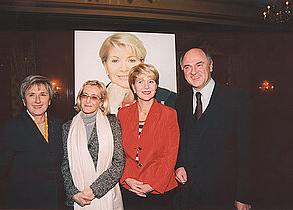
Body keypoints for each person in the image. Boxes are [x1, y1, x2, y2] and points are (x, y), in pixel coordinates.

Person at [175, 47, 251, 209]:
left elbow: (247, 151)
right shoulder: (180, 102)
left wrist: (244, 195)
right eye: (187, 67)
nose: (193, 71)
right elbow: (180, 142)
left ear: (211, 66)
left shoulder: (236, 99)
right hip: (188, 195)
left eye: (199, 64)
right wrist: (179, 165)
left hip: (223, 195)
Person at [0, 75, 65, 208]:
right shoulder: (10, 129)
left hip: (56, 202)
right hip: (24, 203)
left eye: (43, 94)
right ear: (24, 101)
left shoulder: (61, 126)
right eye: (31, 95)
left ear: (49, 100)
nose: (37, 100)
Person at [117, 63, 179, 209]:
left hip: (160, 190)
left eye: (151, 81)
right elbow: (118, 152)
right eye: (140, 82)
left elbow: (170, 155)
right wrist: (126, 178)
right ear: (133, 86)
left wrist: (153, 184)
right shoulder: (122, 114)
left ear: (156, 86)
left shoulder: (169, 114)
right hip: (130, 187)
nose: (146, 86)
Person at [61, 80, 125, 210]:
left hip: (106, 194)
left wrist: (94, 190)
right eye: (84, 96)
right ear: (80, 98)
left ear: (101, 101)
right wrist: (73, 193)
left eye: (94, 97)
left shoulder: (113, 124)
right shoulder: (68, 127)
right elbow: (66, 163)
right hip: (79, 196)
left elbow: (118, 162)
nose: (88, 101)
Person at [99, 32, 176, 114]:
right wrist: (111, 107)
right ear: (105, 64)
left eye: (131, 60)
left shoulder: (168, 98)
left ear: (142, 63)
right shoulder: (90, 99)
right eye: (115, 61)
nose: (124, 68)